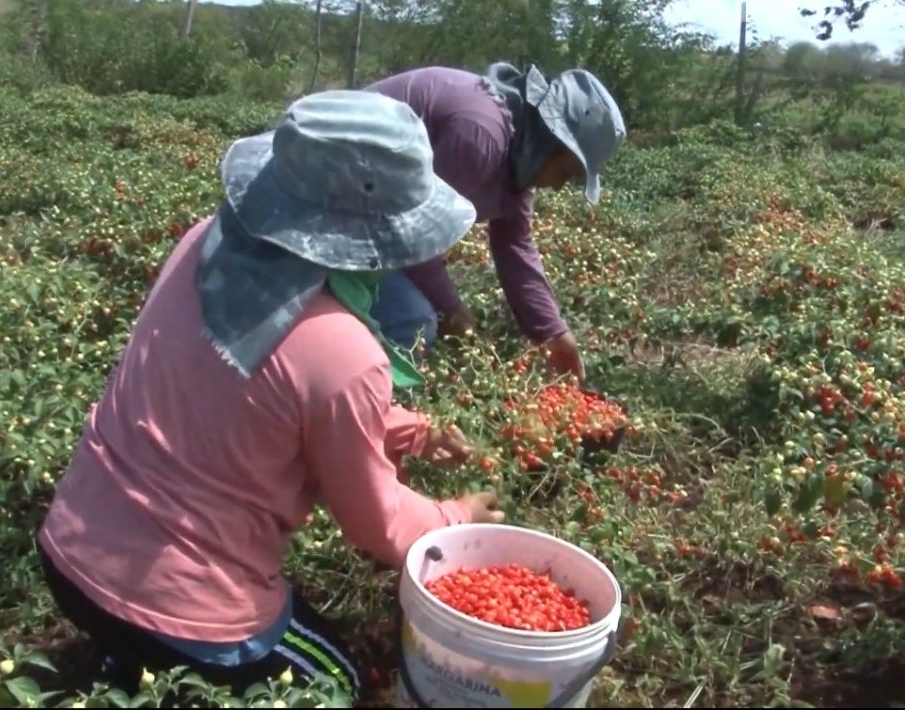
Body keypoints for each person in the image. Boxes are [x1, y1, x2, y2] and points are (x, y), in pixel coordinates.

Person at [36, 89, 505, 701]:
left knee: (143, 646)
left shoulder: (206, 243)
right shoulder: (344, 351)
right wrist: (456, 518)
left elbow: (259, 400)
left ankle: (126, 664)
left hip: (67, 556)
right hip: (184, 609)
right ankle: (149, 660)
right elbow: (378, 523)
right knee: (337, 680)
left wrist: (410, 430)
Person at [366, 63, 627, 382]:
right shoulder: (481, 138)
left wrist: (554, 334)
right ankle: (358, 413)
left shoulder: (517, 160)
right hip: (332, 198)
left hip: (372, 213)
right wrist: (450, 307)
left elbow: (516, 250)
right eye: (565, 172)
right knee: (413, 322)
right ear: (550, 142)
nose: (559, 185)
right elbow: (411, 231)